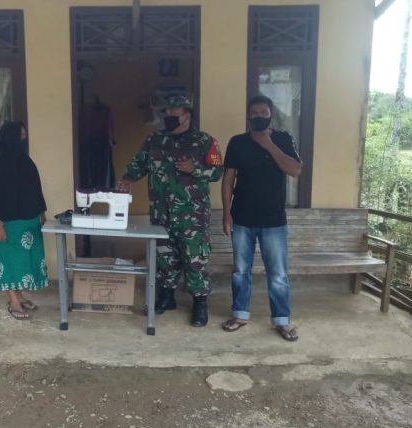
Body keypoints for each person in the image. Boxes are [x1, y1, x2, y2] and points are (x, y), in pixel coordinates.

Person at [117, 95, 223, 327]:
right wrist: (127, 180)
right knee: (165, 256)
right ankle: (167, 297)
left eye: (174, 114)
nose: (169, 118)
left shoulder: (204, 141)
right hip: (161, 212)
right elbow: (138, 164)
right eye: (166, 113)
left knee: (194, 258)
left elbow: (217, 172)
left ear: (187, 115)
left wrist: (195, 169)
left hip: (192, 214)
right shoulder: (154, 139)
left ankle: (200, 303)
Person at [221, 95, 302, 341]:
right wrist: (226, 213)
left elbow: (295, 170)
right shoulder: (237, 142)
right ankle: (240, 314)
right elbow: (228, 180)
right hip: (241, 218)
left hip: (274, 220)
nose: (259, 116)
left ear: (270, 114)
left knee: (277, 274)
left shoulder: (283, 139)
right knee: (240, 271)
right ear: (248, 116)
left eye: (263, 112)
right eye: (254, 113)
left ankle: (281, 320)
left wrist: (268, 144)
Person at [0, 121, 48, 320]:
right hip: (8, 225)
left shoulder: (26, 162)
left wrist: (42, 213)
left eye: (24, 137)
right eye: (21, 137)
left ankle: (19, 296)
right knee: (9, 262)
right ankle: (13, 302)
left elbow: (36, 190)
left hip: (28, 223)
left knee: (23, 263)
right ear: (10, 138)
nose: (23, 140)